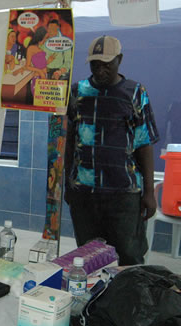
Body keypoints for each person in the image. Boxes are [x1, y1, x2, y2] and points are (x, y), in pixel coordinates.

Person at [64, 36, 159, 266]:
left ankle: (128, 300)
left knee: (128, 256)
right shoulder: (78, 92)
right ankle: (98, 301)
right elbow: (70, 142)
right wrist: (68, 184)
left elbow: (144, 145)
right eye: (95, 64)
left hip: (124, 194)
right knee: (89, 257)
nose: (101, 69)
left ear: (120, 60)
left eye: (107, 63)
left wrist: (149, 192)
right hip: (85, 193)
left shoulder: (135, 93)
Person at [25, 26, 54, 96]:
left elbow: (40, 64)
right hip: (38, 78)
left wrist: (48, 61)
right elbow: (27, 66)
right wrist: (40, 71)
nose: (45, 40)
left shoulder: (40, 48)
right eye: (45, 38)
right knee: (38, 101)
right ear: (40, 37)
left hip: (45, 77)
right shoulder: (31, 48)